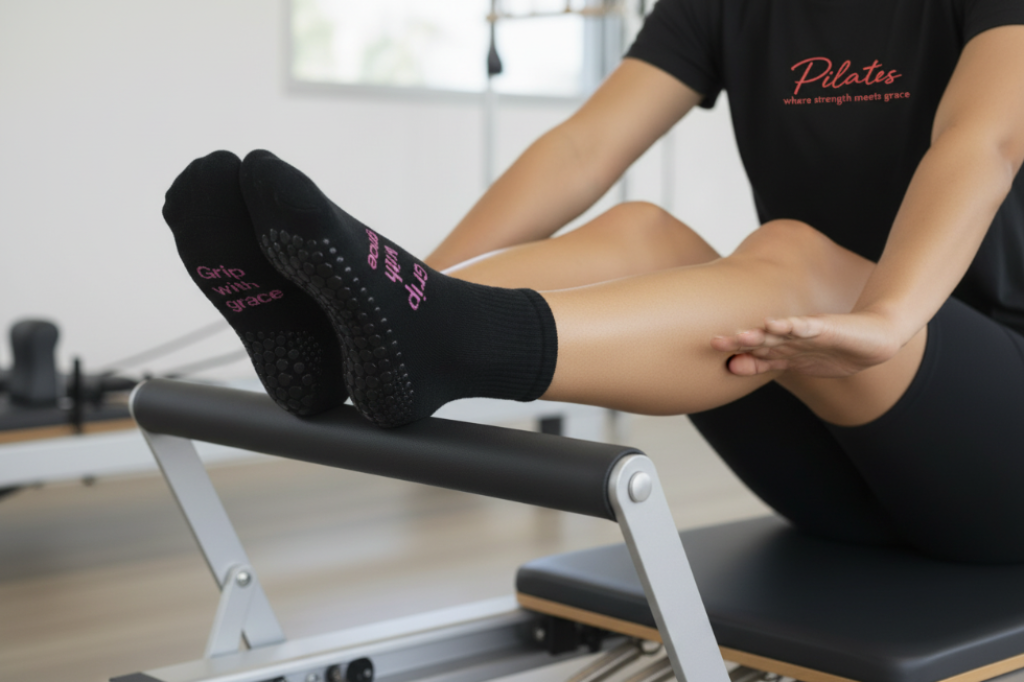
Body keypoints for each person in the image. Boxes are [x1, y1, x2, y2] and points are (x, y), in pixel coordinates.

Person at [163, 0, 1024, 564]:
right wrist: (405, 283)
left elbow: (983, 138)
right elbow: (585, 149)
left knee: (789, 258)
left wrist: (887, 318)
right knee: (642, 231)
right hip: (839, 470)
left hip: (992, 453)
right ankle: (361, 328)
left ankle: (449, 339)